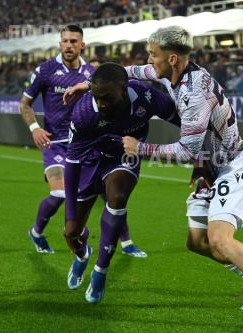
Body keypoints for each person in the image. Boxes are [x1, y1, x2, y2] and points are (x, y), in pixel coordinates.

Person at [119, 26, 243, 333]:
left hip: (232, 165)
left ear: (173, 58)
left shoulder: (194, 93)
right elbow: (137, 70)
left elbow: (184, 150)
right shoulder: (173, 71)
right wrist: (92, 83)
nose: (149, 59)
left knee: (219, 239)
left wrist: (141, 148)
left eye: (154, 53)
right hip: (210, 166)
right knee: (197, 242)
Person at [20, 25, 146, 258]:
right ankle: (37, 233)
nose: (69, 45)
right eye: (65, 41)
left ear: (82, 45)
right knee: (60, 193)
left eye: (74, 41)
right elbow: (25, 104)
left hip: (89, 143)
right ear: (60, 44)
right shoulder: (46, 70)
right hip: (55, 142)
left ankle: (127, 242)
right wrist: (35, 128)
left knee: (111, 191)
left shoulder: (92, 73)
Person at [63, 63, 180, 303]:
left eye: (107, 98)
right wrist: (71, 216)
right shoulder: (84, 112)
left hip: (123, 156)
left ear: (124, 90)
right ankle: (83, 254)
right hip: (89, 161)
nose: (101, 103)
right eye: (97, 97)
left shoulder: (146, 97)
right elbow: (72, 165)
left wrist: (204, 151)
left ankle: (100, 272)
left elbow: (181, 119)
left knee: (117, 196)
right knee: (72, 232)